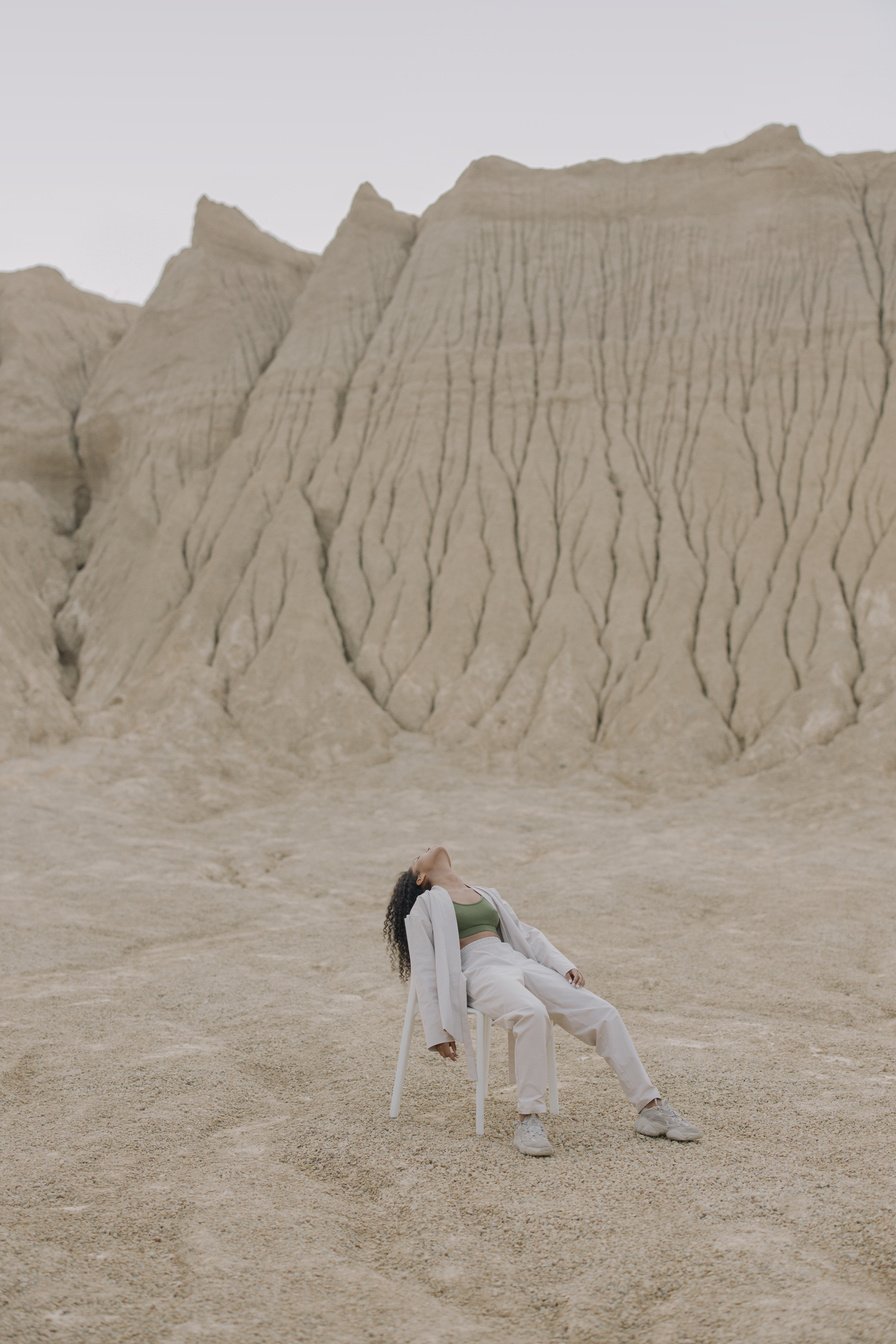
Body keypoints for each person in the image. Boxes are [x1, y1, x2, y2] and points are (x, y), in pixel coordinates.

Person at [384, 845, 702, 1156]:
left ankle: (651, 1107)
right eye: (417, 858)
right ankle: (528, 1118)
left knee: (603, 1013)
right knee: (530, 1013)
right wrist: (438, 1030)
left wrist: (563, 964)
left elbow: (527, 933)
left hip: (518, 961)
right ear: (422, 878)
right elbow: (424, 970)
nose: (425, 849)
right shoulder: (424, 906)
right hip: (478, 969)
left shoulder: (486, 893)